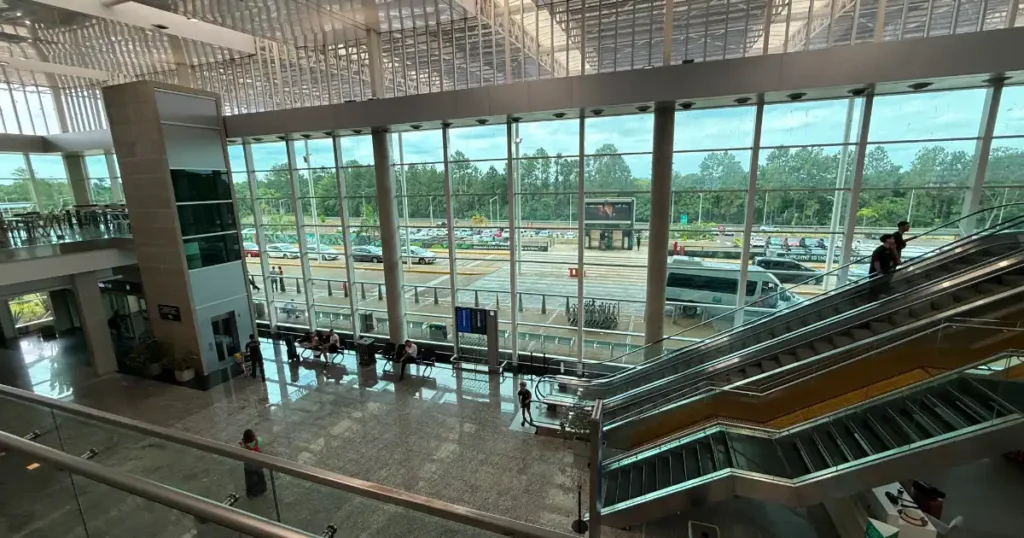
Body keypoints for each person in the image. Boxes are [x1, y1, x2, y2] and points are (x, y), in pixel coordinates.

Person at [240, 429, 267, 497]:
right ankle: (262, 489)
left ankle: (251, 494)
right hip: (258, 464)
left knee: (250, 481)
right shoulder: (259, 440)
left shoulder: (243, 447)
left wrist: (242, 443)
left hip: (249, 467)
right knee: (261, 478)